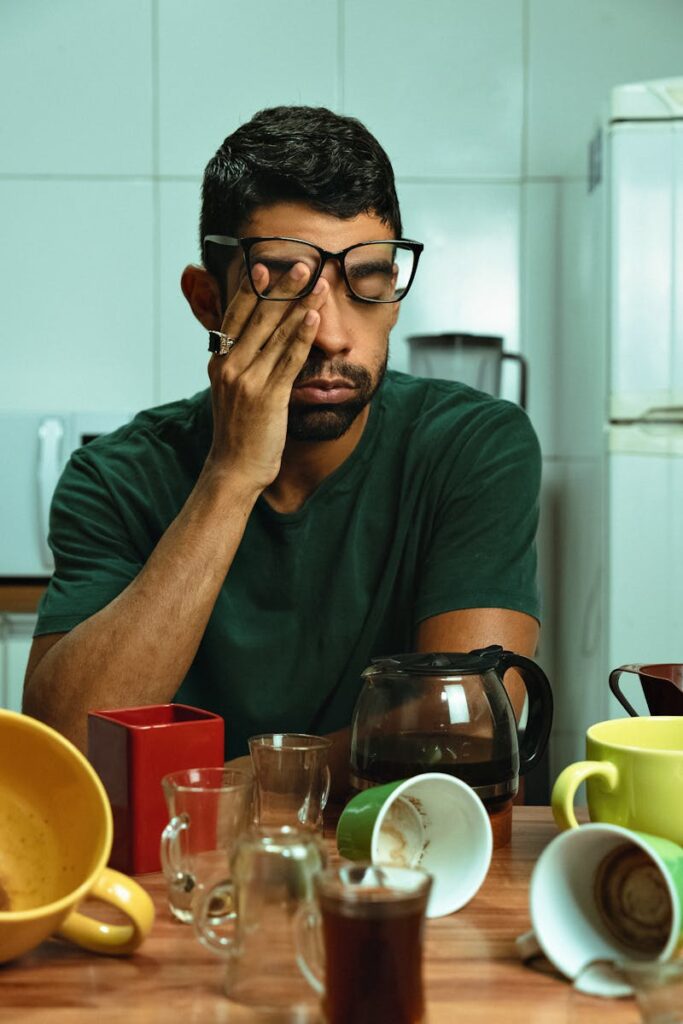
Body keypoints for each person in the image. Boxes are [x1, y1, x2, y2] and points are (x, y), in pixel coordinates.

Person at [23, 106, 541, 788]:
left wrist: (243, 782)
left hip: (407, 857)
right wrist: (232, 475)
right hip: (183, 872)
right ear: (209, 302)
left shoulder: (472, 445)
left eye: (369, 281)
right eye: (283, 283)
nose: (329, 336)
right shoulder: (116, 477)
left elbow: (468, 722)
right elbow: (68, 750)